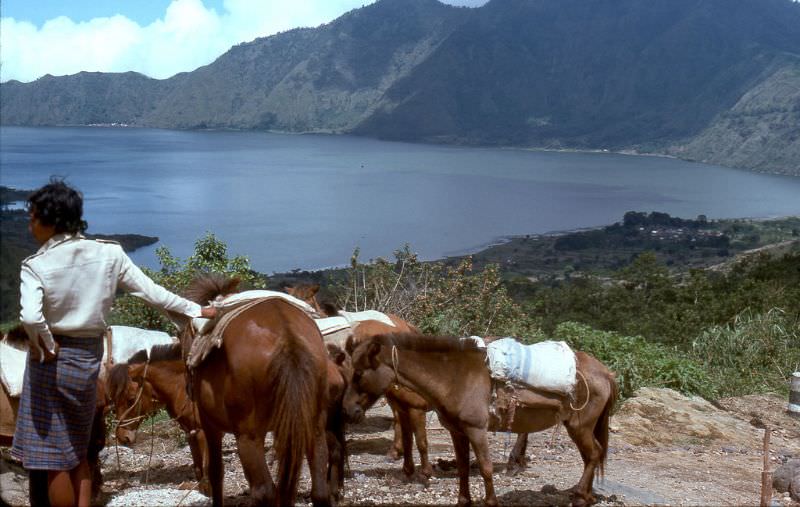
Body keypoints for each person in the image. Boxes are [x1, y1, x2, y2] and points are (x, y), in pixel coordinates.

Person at [11, 178, 216, 507]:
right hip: (89, 359)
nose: (30, 224)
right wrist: (195, 310)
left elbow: (32, 319)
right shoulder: (108, 253)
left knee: (53, 458)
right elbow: (151, 292)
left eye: (33, 216)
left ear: (50, 219)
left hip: (52, 361)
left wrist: (47, 345)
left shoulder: (37, 265)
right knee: (80, 449)